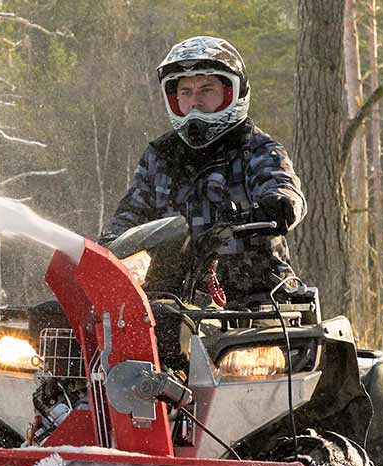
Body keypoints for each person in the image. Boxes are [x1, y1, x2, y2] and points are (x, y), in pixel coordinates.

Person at [101, 36, 308, 308]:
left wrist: (277, 205)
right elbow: (133, 211)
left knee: (269, 344)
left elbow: (281, 185)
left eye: (206, 90)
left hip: (255, 298)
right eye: (186, 92)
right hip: (167, 299)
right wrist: (108, 246)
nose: (195, 102)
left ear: (232, 93)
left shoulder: (258, 149)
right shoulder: (160, 155)